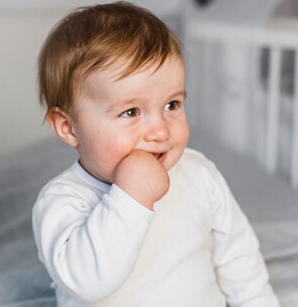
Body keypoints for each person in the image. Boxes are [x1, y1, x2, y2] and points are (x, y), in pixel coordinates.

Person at [32, 2, 280, 306]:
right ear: (69, 128)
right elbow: (88, 283)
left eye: (172, 105)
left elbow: (238, 256)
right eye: (131, 111)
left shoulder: (198, 173)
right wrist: (131, 197)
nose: (160, 131)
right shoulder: (63, 201)